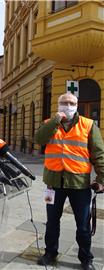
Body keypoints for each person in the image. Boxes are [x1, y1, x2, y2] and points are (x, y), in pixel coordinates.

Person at [34, 93, 104, 270]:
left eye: (71, 102)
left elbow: (98, 153)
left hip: (79, 184)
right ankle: (50, 253)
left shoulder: (88, 125)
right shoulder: (49, 123)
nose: (68, 105)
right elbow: (39, 140)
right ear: (58, 105)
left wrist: (101, 178)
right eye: (64, 102)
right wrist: (55, 120)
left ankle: (85, 258)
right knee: (52, 222)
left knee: (83, 224)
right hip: (54, 183)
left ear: (77, 105)